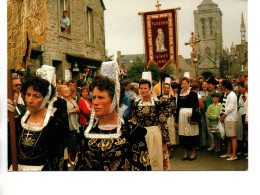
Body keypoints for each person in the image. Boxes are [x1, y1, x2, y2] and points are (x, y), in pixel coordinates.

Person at [77, 61, 151, 171]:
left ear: (114, 101)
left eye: (101, 98)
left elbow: (142, 168)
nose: (95, 102)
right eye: (94, 97)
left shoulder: (132, 131)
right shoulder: (86, 131)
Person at [8, 75, 68, 171]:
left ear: (46, 98)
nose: (30, 100)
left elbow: (56, 159)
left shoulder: (54, 125)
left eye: (36, 96)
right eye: (28, 94)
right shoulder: (17, 122)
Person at [130, 75, 170, 171]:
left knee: (155, 160)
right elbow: (133, 122)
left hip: (155, 135)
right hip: (141, 136)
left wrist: (165, 143)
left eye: (145, 88)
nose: (143, 90)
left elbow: (163, 123)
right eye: (141, 88)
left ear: (150, 89)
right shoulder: (136, 104)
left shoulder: (157, 104)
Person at [175, 77, 200, 161]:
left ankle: (193, 153)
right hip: (182, 116)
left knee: (191, 133)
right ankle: (185, 153)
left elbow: (196, 106)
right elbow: (178, 107)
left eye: (185, 83)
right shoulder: (180, 94)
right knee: (183, 134)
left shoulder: (192, 93)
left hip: (190, 114)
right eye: (182, 83)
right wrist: (176, 120)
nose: (184, 85)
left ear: (188, 84)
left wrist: (194, 118)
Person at [219, 79, 238, 161]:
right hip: (226, 118)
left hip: (231, 118)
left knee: (232, 136)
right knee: (228, 137)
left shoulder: (232, 95)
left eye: (221, 85)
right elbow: (224, 106)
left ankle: (234, 154)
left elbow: (230, 108)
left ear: (224, 86)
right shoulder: (226, 94)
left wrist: (222, 117)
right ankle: (229, 152)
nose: (221, 87)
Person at [62, 86, 80, 167]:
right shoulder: (62, 101)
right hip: (67, 124)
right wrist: (72, 111)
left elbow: (77, 109)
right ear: (61, 92)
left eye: (68, 90)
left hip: (74, 123)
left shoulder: (73, 100)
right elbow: (62, 113)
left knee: (73, 143)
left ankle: (72, 159)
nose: (67, 92)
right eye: (65, 91)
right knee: (68, 143)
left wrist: (77, 110)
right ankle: (68, 160)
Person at [158, 82, 176, 158]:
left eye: (167, 88)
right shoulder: (159, 97)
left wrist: (168, 114)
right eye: (165, 88)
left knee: (169, 134)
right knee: (162, 134)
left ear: (169, 89)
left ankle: (169, 151)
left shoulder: (172, 98)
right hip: (161, 119)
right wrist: (160, 102)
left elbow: (173, 108)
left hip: (169, 118)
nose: (166, 89)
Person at [203, 76, 221, 151]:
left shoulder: (216, 93)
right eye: (207, 85)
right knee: (209, 130)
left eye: (209, 85)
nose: (208, 86)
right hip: (208, 113)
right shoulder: (209, 93)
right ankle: (212, 144)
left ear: (214, 85)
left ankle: (217, 146)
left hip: (214, 115)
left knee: (215, 130)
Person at [236, 81, 248, 156]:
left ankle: (247, 149)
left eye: (240, 87)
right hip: (240, 112)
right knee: (240, 131)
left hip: (245, 113)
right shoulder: (239, 95)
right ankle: (241, 148)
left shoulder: (247, 95)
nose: (239, 89)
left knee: (245, 131)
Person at [198, 81, 209, 148]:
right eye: (203, 84)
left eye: (205, 84)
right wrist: (203, 100)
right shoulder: (199, 93)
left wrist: (202, 100)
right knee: (202, 128)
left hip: (207, 111)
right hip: (201, 112)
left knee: (208, 128)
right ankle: (203, 143)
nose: (204, 86)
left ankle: (209, 143)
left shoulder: (209, 93)